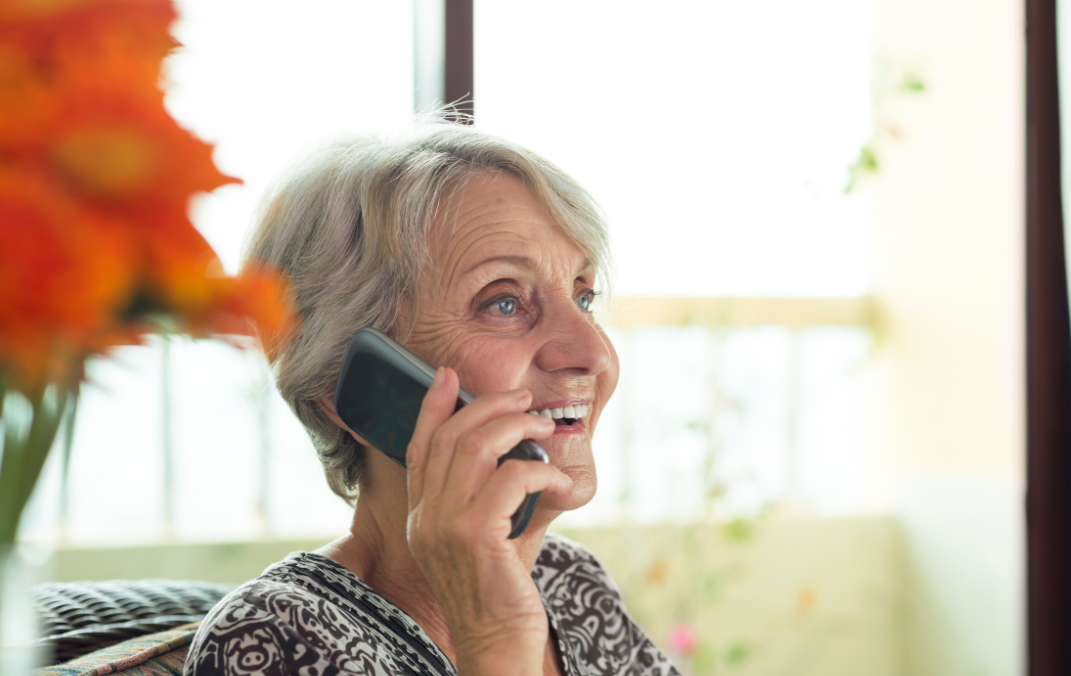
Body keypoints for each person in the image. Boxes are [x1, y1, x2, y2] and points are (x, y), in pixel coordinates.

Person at [185, 121, 680, 676]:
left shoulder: (568, 581)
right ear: (349, 388)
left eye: (583, 297)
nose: (593, 352)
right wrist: (494, 636)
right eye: (505, 303)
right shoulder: (275, 636)